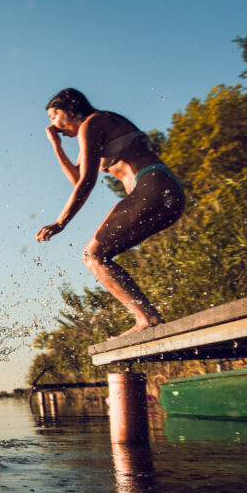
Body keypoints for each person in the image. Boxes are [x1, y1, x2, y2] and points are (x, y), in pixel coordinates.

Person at [37, 88, 186, 336]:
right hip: (165, 192)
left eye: (54, 116)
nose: (53, 125)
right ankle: (148, 318)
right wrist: (57, 147)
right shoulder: (95, 128)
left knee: (92, 255)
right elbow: (77, 179)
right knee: (99, 255)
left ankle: (147, 318)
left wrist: (61, 222)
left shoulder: (93, 123)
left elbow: (86, 182)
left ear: (71, 109)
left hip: (151, 185)